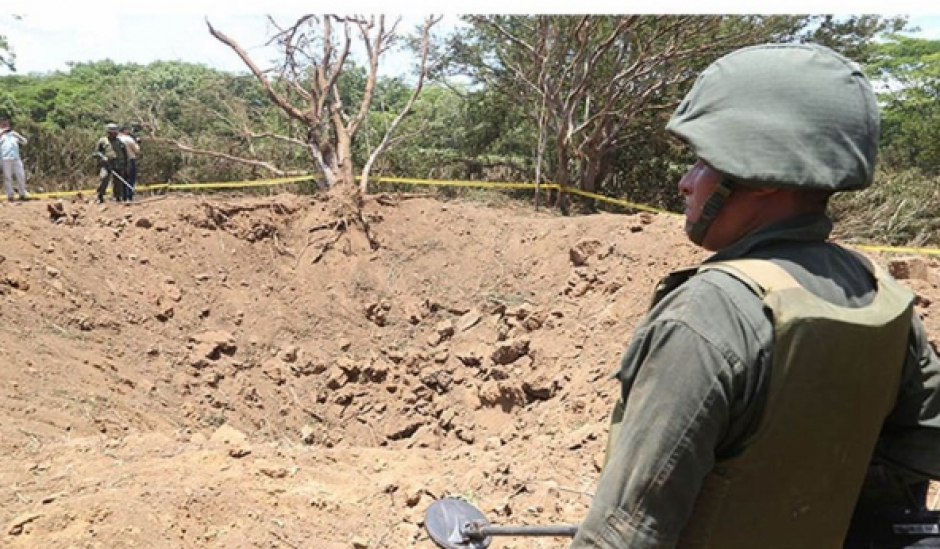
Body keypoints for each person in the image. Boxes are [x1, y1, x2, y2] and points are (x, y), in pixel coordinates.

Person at [569, 43, 940, 549]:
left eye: (703, 160)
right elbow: (917, 456)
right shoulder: (882, 294)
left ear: (760, 175)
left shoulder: (710, 315)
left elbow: (624, 533)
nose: (685, 182)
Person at [94, 122, 129, 203]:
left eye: (116, 132)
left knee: (118, 182)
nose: (115, 134)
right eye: (114, 132)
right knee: (104, 178)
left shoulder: (119, 142)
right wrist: (103, 157)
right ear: (109, 132)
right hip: (106, 164)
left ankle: (117, 197)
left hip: (118, 164)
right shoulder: (102, 141)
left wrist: (126, 165)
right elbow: (96, 152)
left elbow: (125, 154)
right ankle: (100, 196)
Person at [0, 116, 29, 201]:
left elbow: (25, 142)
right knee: (7, 177)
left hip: (16, 158)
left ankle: (22, 194)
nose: (5, 123)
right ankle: (10, 195)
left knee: (21, 175)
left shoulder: (13, 133)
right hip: (5, 158)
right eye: (3, 122)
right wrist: (2, 132)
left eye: (6, 122)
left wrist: (18, 136)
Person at [117, 125, 140, 200]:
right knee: (130, 179)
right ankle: (129, 196)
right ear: (124, 130)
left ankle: (122, 196)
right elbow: (136, 150)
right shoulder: (128, 139)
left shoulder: (115, 139)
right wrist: (137, 142)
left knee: (122, 179)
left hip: (118, 162)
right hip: (130, 160)